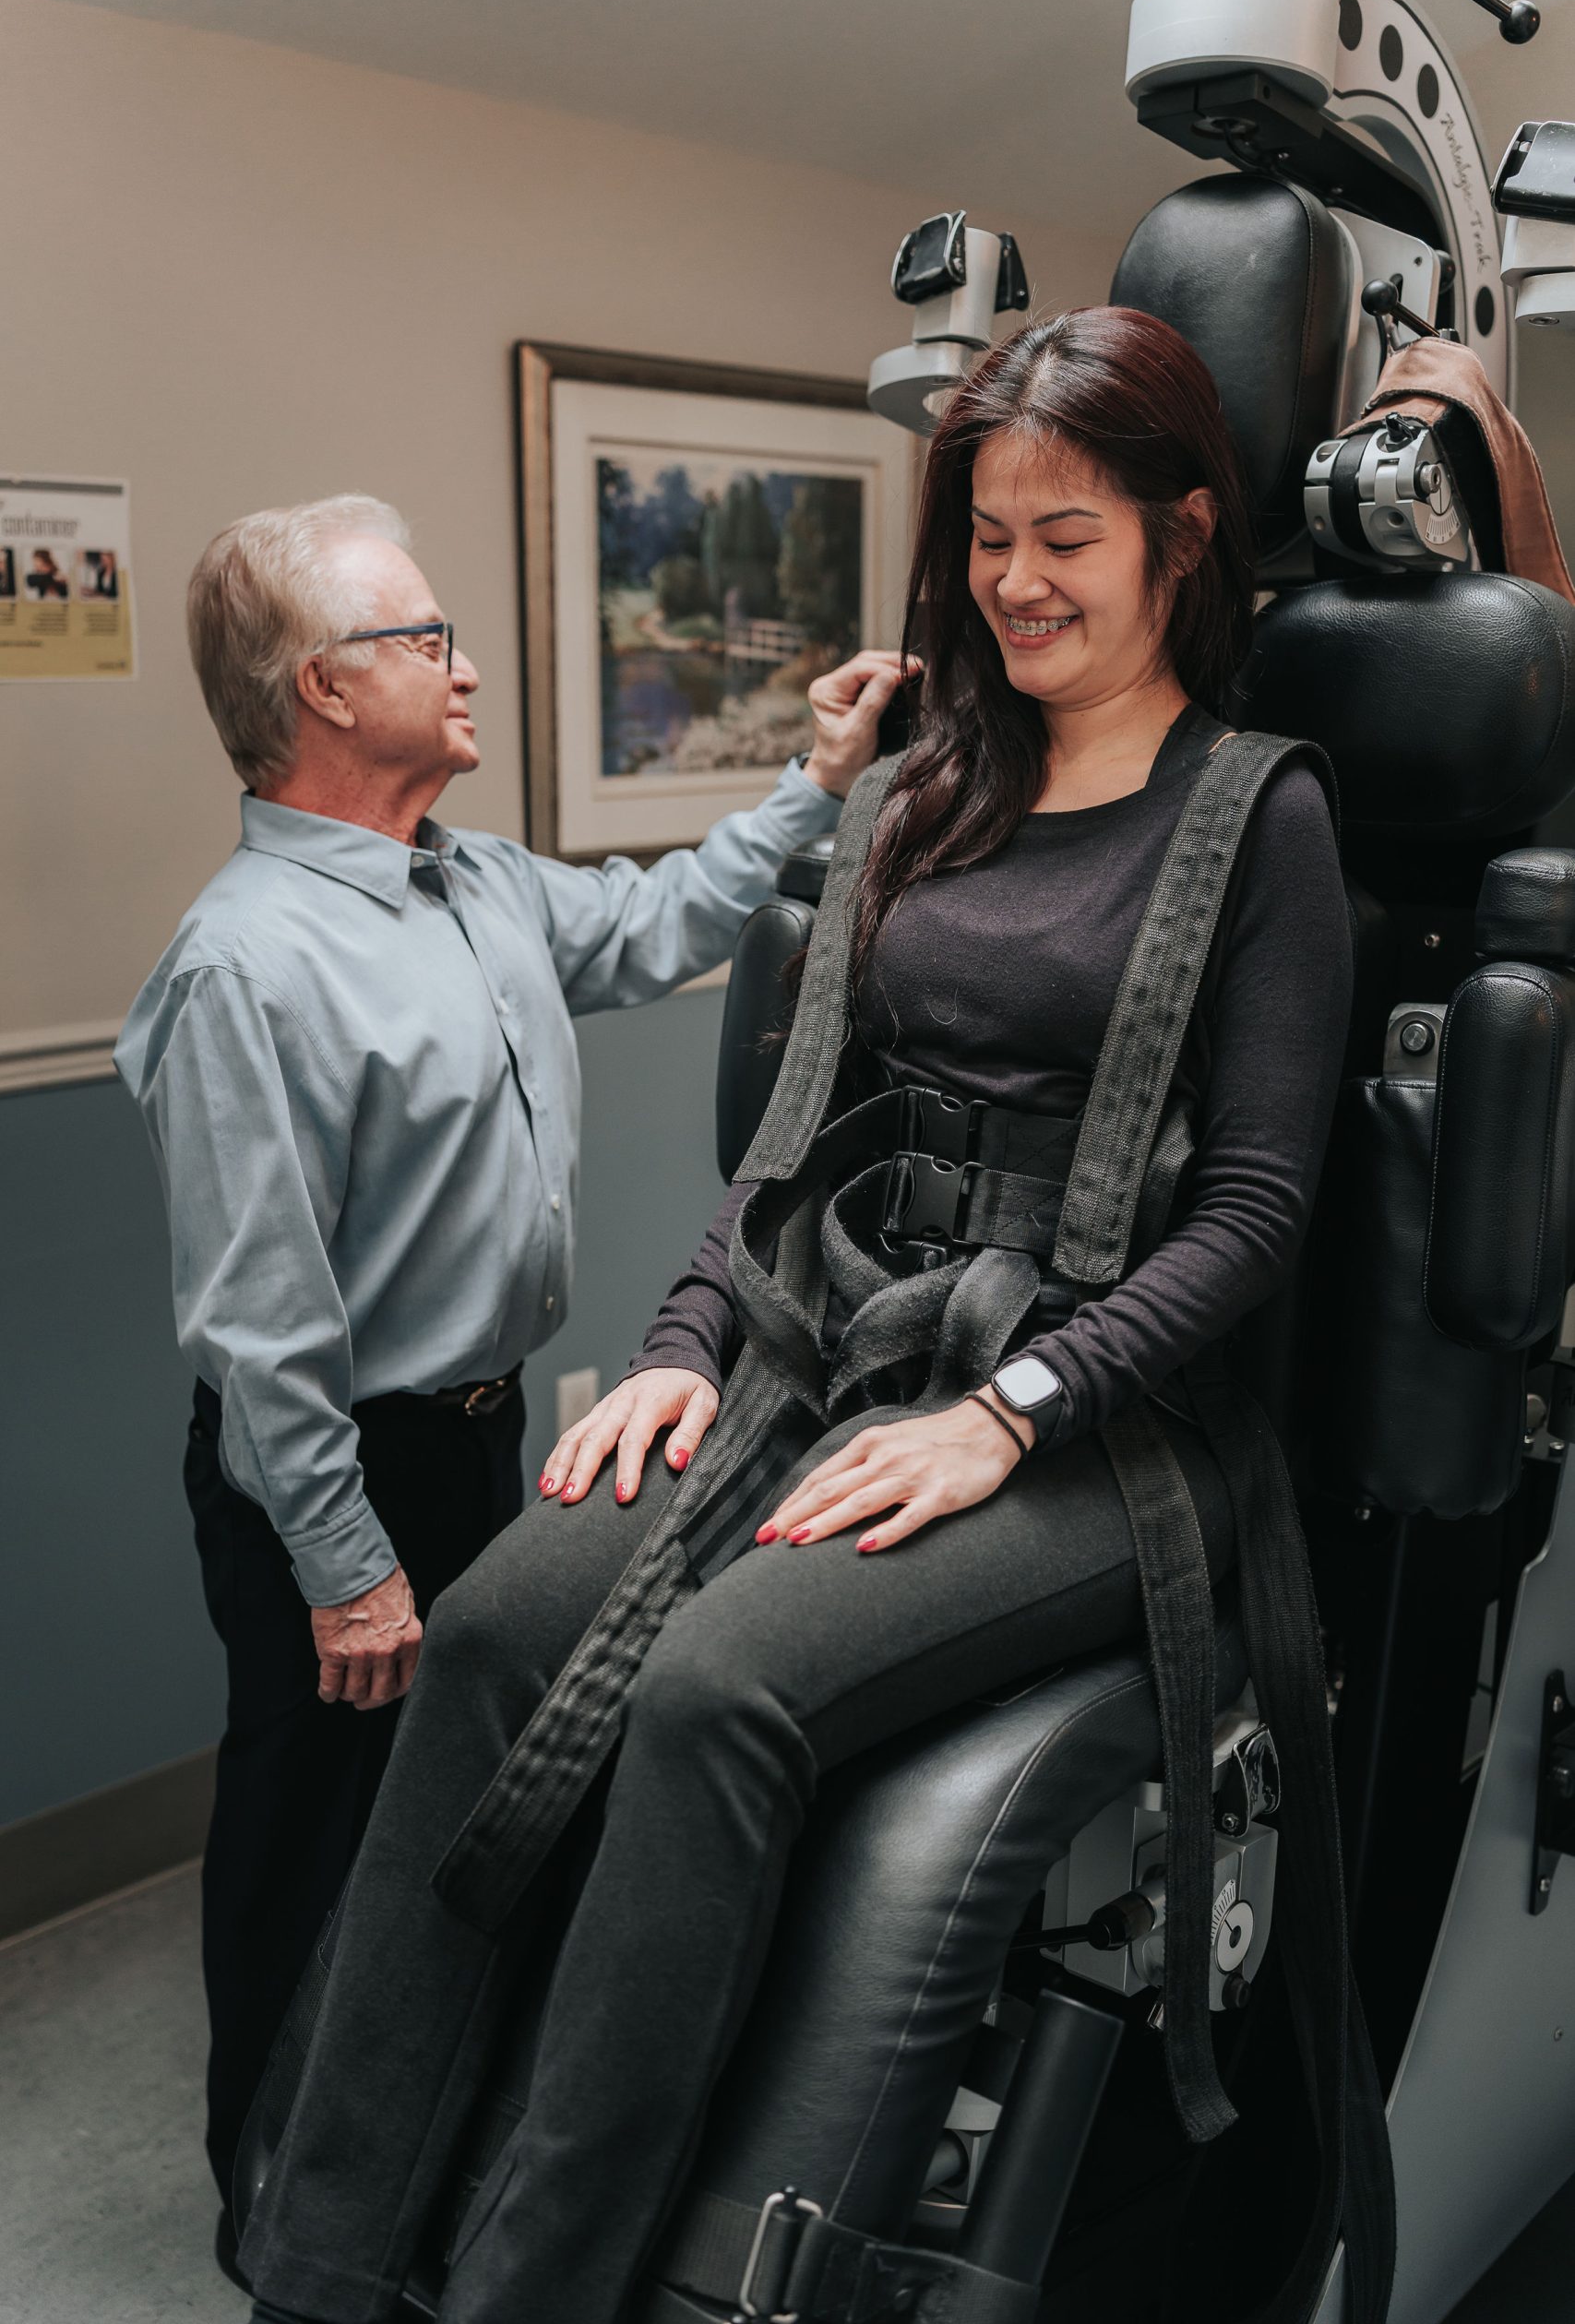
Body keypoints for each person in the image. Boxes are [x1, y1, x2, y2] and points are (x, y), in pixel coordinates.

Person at [241, 315, 1372, 2324]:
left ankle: (543, 2282)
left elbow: (1260, 1213)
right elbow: (793, 1142)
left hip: (1099, 1409)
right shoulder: (925, 792)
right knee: (498, 1623)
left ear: (1180, 537)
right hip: (820, 1340)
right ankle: (323, 2256)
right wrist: (682, 1348)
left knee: (714, 1684)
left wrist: (1007, 1407)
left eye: (1067, 538)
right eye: (988, 535)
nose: (1013, 579)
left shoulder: (1255, 814)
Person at [113, 493, 902, 2260]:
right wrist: (347, 1570)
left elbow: (663, 919)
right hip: (333, 1477)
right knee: (312, 1844)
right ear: (325, 687)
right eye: (428, 639)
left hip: (475, 1445)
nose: (466, 669)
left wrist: (821, 775)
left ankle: (397, 2163)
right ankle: (275, 2200)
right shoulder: (242, 964)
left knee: (454, 1825)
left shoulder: (468, 881)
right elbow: (263, 1329)